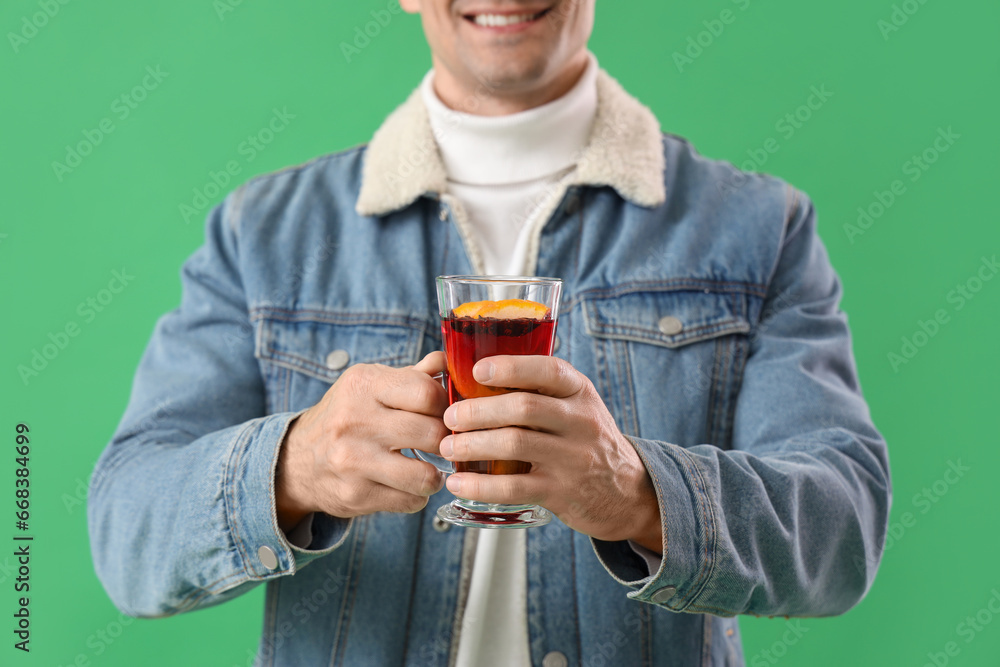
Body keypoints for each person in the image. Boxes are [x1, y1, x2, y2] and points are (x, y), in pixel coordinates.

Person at [87, 1, 891, 665]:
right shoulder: (262, 235)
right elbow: (127, 537)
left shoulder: (759, 230)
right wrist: (295, 466)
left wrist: (635, 491)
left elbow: (844, 533)